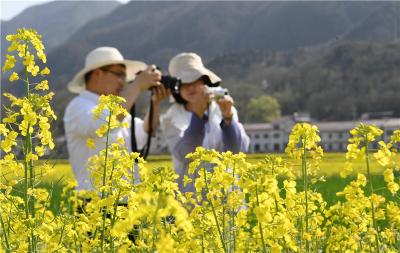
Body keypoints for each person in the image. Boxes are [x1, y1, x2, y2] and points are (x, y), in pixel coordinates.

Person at [64, 47, 169, 191]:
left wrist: (155, 103)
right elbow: (103, 123)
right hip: (93, 204)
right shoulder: (78, 106)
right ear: (97, 74)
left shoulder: (118, 110)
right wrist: (137, 85)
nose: (123, 82)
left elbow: (143, 135)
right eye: (119, 75)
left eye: (125, 77)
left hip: (126, 203)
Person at [160, 52, 250, 192]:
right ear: (176, 88)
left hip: (227, 195)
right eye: (183, 83)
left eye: (195, 80)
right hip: (191, 198)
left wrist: (228, 118)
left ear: (204, 81)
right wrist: (198, 114)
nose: (190, 87)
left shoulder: (222, 107)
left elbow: (236, 151)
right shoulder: (170, 117)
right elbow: (185, 153)